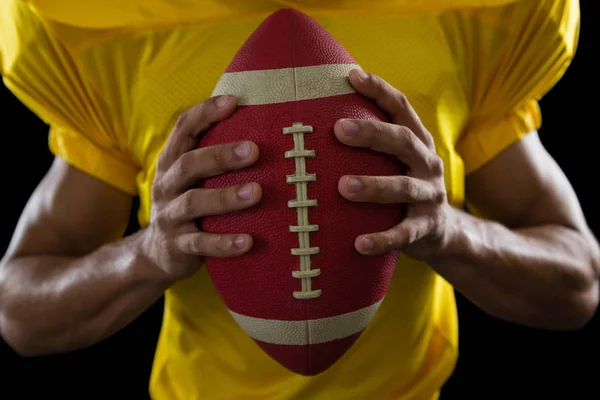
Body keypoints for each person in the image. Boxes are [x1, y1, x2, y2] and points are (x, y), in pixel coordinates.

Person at [0, 0, 597, 398]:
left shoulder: (460, 16)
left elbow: (577, 281)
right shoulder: (120, 32)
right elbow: (19, 309)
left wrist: (446, 230)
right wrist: (150, 254)